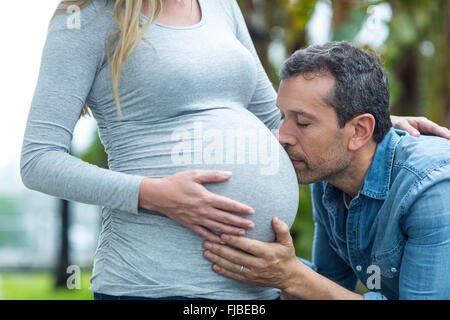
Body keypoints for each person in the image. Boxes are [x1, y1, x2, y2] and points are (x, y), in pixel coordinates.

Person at [20, 0, 448, 300]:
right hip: (155, 281)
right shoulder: (87, 17)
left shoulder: (220, 5)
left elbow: (274, 116)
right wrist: (154, 195)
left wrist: (373, 130)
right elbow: (39, 160)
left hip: (258, 285)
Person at [202, 41, 450, 300]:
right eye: (282, 117)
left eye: (303, 122)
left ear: (359, 131)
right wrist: (267, 264)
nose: (282, 136)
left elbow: (307, 284)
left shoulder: (432, 187)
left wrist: (292, 276)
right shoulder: (329, 178)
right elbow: (328, 283)